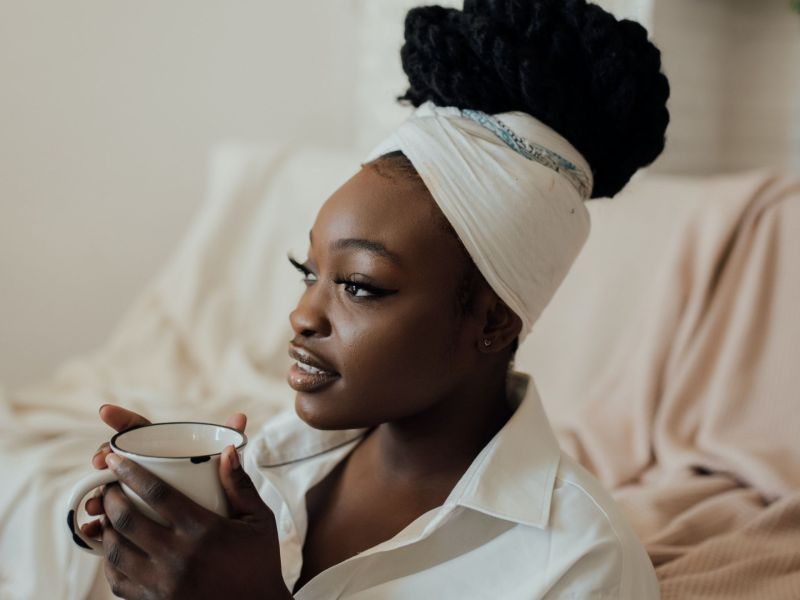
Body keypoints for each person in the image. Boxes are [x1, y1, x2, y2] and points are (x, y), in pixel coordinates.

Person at [79, 0, 670, 597]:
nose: (303, 316)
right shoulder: (272, 460)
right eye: (307, 272)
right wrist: (139, 525)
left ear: (492, 319)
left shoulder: (581, 563)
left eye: (359, 285)